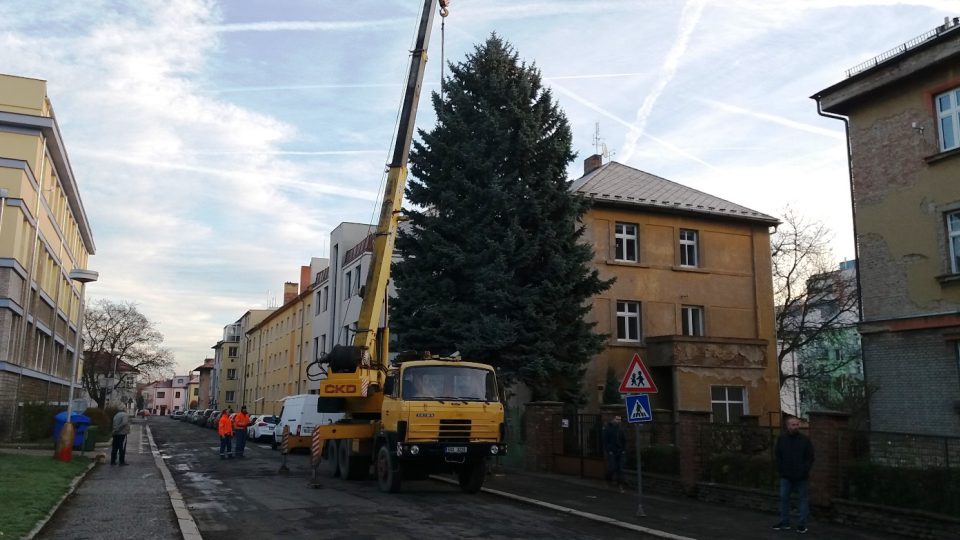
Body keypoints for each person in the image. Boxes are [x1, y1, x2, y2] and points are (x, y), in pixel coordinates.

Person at [773, 416, 815, 534]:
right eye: (793, 424)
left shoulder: (805, 440)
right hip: (786, 476)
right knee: (784, 499)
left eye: (797, 424)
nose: (796, 426)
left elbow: (810, 457)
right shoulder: (782, 439)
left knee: (803, 500)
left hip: (801, 476)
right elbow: (778, 456)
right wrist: (781, 470)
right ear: (787, 426)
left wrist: (804, 470)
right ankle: (784, 522)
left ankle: (802, 524)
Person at [602, 415, 627, 493]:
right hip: (612, 451)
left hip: (620, 451)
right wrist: (608, 450)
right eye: (617, 419)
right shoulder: (608, 428)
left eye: (620, 419)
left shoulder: (621, 429)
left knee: (620, 469)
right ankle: (607, 480)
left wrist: (623, 450)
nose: (618, 421)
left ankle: (620, 485)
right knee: (612, 468)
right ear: (613, 419)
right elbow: (605, 440)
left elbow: (624, 440)